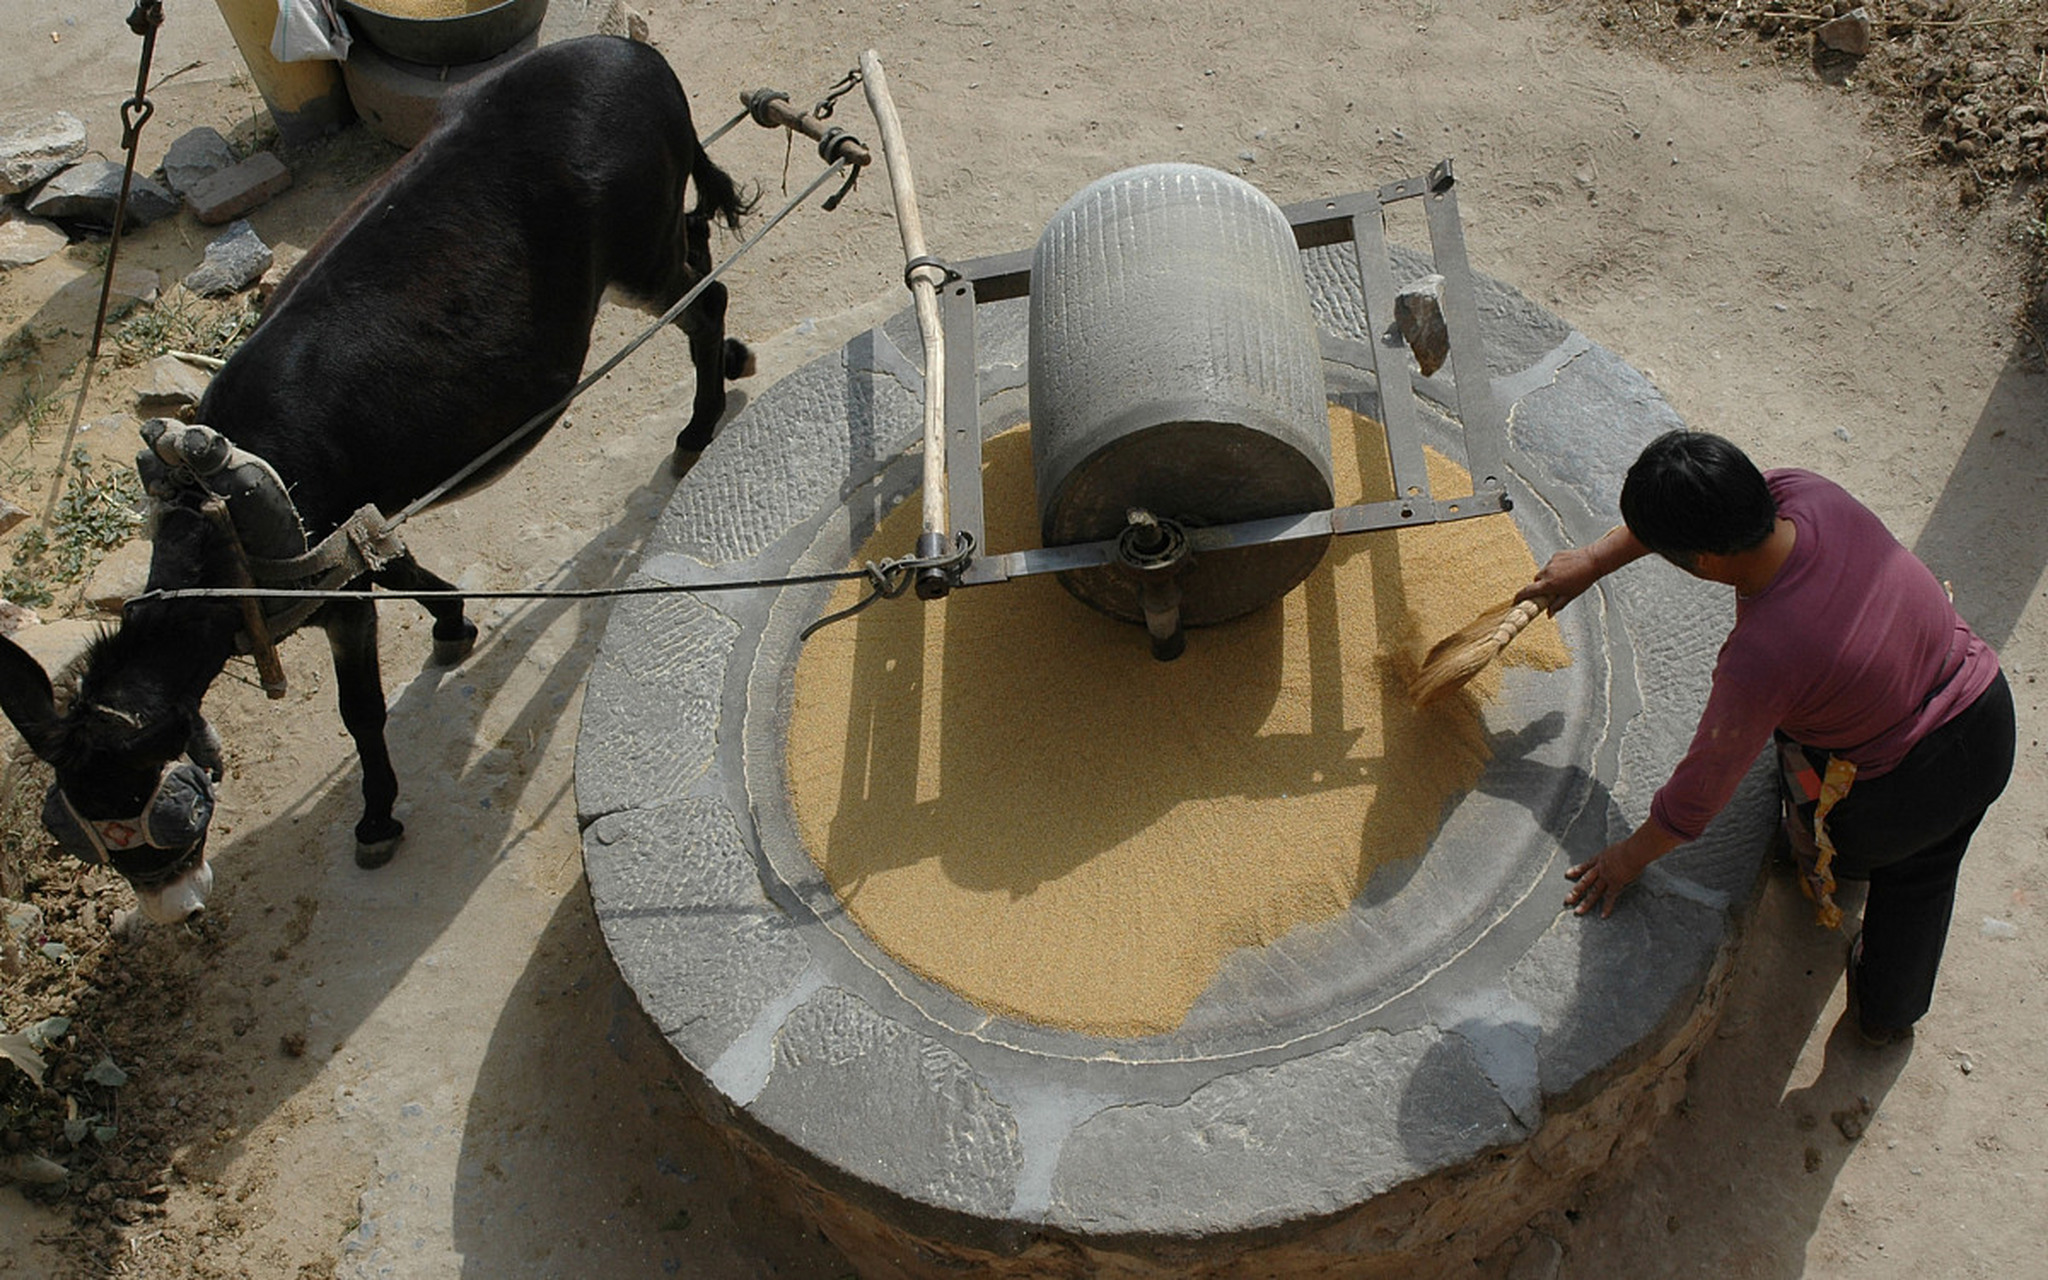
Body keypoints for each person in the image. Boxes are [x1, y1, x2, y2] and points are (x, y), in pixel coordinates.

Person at [1518, 429, 2014, 1046]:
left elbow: (1697, 799)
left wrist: (1624, 860)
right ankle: (1888, 1013)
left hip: (1894, 794)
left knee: (1832, 822)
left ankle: (1843, 871)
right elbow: (1695, 517)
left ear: (1700, 564)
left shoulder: (1763, 656)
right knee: (1926, 875)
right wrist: (1593, 560)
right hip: (1986, 713)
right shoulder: (1807, 494)